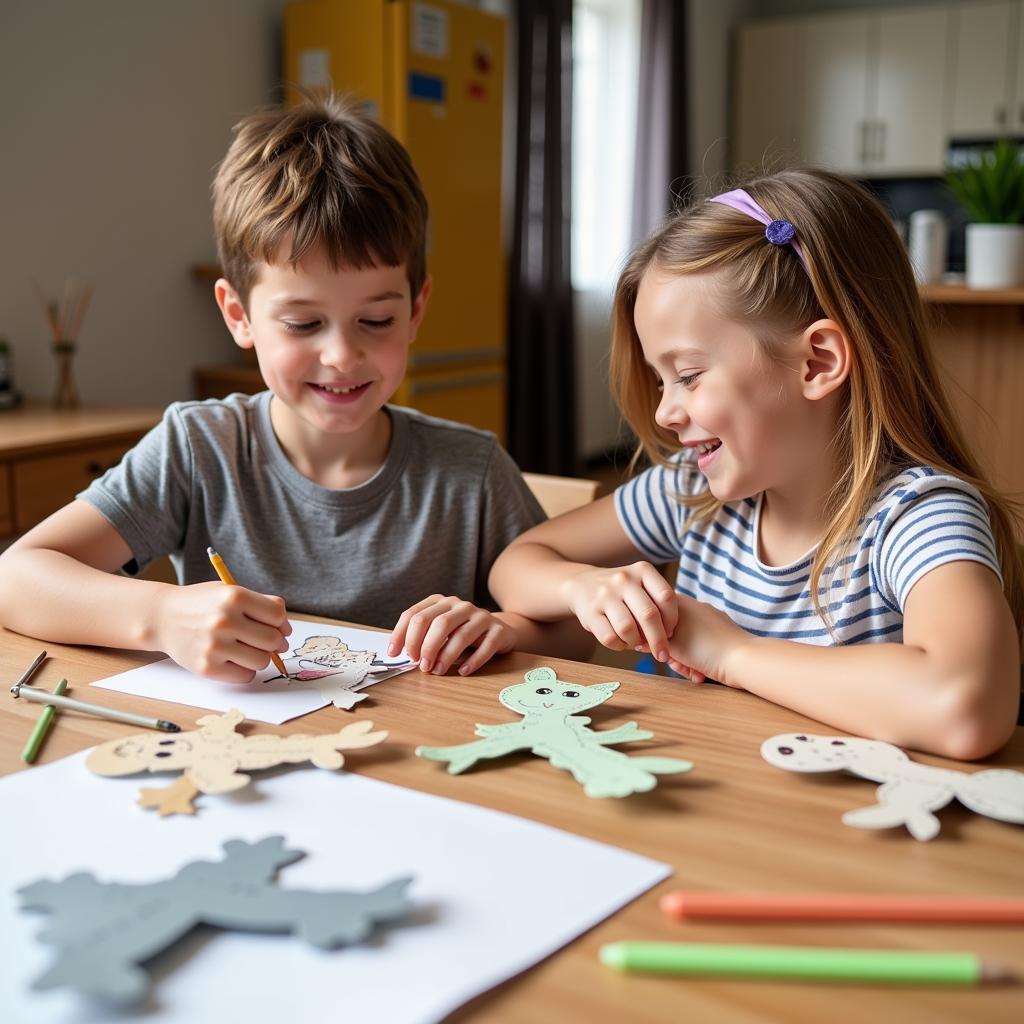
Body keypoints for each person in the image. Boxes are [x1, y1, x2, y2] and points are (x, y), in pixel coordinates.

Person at [0, 93, 588, 681]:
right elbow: (15, 577)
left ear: (415, 310)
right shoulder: (199, 448)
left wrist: (505, 629)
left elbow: (573, 632)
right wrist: (161, 615)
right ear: (238, 316)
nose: (341, 355)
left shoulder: (472, 470)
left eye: (376, 320)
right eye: (304, 323)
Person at [490, 168, 1023, 760]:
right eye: (660, 379)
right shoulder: (694, 494)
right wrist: (585, 586)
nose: (666, 410)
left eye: (689, 376)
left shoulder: (916, 517)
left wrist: (731, 653)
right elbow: (517, 564)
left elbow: (966, 705)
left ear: (817, 362)